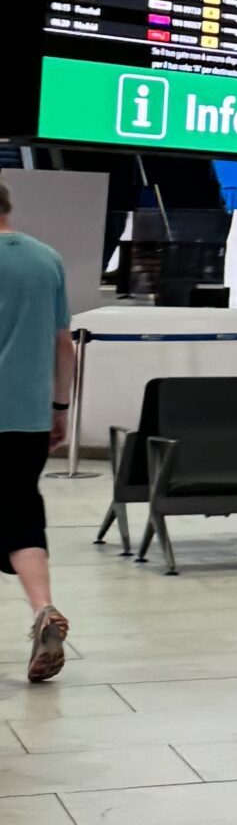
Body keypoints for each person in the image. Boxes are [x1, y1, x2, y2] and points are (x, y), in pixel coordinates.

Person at [0, 183, 74, 682]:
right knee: (20, 510)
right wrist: (60, 406)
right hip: (27, 416)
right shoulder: (47, 259)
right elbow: (64, 344)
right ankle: (43, 608)